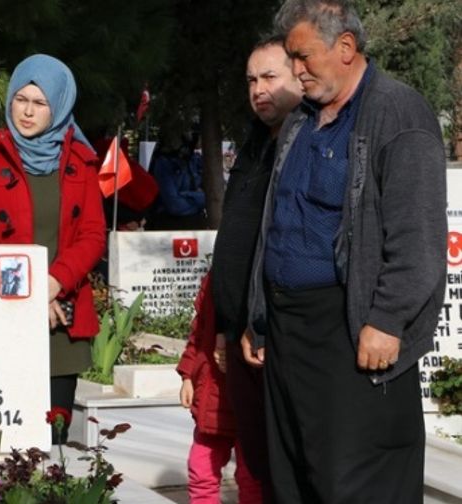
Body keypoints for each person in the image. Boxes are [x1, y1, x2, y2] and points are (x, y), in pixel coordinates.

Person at [247, 1, 447, 501]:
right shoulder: (300, 119)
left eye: (302, 56)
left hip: (352, 329)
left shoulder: (397, 112)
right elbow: (278, 220)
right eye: (291, 57)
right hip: (291, 333)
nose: (295, 69)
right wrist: (260, 314)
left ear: (345, 47)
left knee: (356, 483)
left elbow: (417, 235)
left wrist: (388, 318)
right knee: (295, 479)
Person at [0, 54, 106, 444]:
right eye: (20, 99)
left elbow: (92, 234)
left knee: (53, 442)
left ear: (57, 106)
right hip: (6, 311)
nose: (27, 112)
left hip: (62, 318)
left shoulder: (81, 159)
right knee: (4, 442)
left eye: (40, 103)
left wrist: (55, 282)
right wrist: (31, 296)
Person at [210, 35, 303, 503]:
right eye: (251, 79)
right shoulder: (253, 142)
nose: (258, 89)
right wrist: (223, 326)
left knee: (286, 468)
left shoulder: (306, 141)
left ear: (299, 77)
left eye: (270, 77)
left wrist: (262, 326)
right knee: (257, 461)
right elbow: (235, 242)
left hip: (275, 334)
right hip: (239, 334)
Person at [177, 274, 263, 504]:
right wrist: (187, 375)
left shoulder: (260, 278)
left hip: (250, 395)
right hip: (212, 397)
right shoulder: (214, 281)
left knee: (251, 477)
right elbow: (198, 333)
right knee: (200, 469)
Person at [146, 128, 207, 230]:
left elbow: (213, 196)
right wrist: (199, 199)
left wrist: (186, 195)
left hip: (196, 224)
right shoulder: (163, 163)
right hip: (168, 226)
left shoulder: (195, 160)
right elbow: (175, 205)